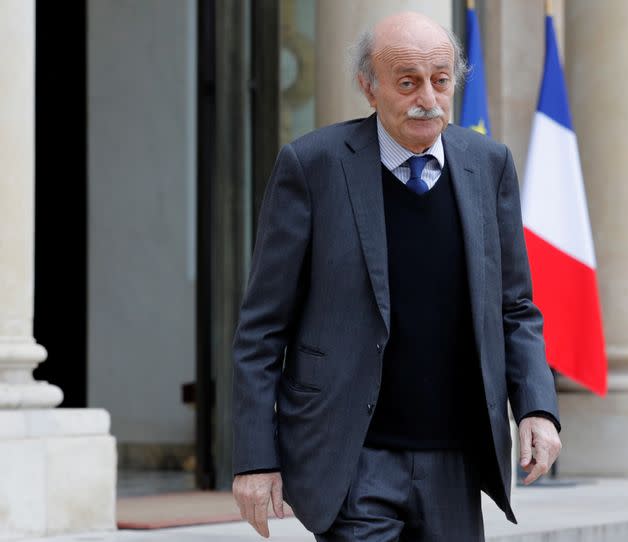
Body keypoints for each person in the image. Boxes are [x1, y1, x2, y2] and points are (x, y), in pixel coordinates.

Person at [232, 11, 561, 541]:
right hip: (353, 457)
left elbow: (515, 307)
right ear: (369, 87)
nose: (427, 98)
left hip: (457, 459)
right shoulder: (311, 166)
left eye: (441, 80)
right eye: (407, 82)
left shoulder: (488, 165)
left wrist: (537, 408)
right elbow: (261, 330)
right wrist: (254, 458)